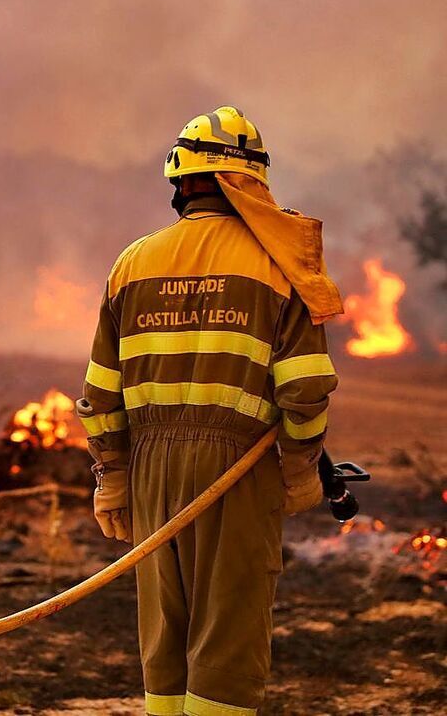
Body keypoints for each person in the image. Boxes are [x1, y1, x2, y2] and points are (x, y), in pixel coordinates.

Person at [76, 106, 342, 715]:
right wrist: (302, 468)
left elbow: (101, 387)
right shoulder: (281, 265)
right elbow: (304, 387)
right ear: (249, 183)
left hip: (149, 469)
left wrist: (113, 476)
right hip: (237, 470)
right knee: (227, 637)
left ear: (179, 180)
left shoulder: (131, 263)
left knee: (164, 634)